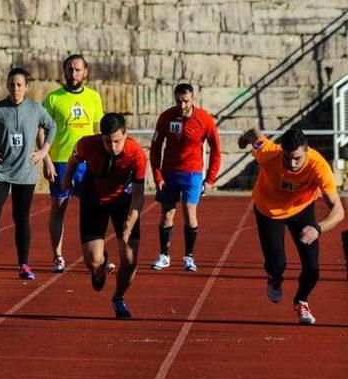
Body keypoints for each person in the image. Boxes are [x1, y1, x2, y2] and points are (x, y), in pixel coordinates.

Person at [238, 127, 344, 325]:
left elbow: (339, 211)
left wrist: (317, 228)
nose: (291, 164)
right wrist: (244, 140)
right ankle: (275, 279)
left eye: (297, 159)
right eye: (287, 158)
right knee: (277, 264)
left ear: (307, 151)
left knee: (312, 269)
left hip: (302, 211)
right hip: (269, 210)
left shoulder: (318, 167)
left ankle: (301, 300)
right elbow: (254, 133)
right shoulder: (269, 153)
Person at [0, 67, 55, 280]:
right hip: (0, 171)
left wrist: (43, 152)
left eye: (19, 85)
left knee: (21, 218)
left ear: (26, 87)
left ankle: (24, 265)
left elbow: (52, 126)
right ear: (7, 86)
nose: (15, 88)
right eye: (12, 84)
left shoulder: (35, 109)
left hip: (25, 174)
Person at [64, 113, 146, 319]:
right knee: (92, 260)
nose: (113, 146)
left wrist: (130, 223)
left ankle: (118, 297)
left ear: (125, 135)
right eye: (108, 141)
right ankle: (100, 265)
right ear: (101, 136)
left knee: (129, 259)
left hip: (123, 200)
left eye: (117, 141)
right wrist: (67, 181)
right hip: (94, 197)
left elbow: (139, 195)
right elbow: (73, 161)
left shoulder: (136, 153)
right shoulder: (86, 145)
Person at [149, 83, 222, 272]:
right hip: (169, 173)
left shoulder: (204, 119)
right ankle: (164, 255)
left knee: (190, 212)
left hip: (192, 174)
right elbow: (155, 148)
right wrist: (158, 176)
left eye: (186, 101)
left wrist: (210, 179)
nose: (182, 105)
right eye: (178, 101)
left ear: (193, 100)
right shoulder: (166, 117)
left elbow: (216, 149)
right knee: (167, 213)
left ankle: (189, 256)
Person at [42, 54, 104, 273]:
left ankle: (96, 253)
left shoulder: (94, 98)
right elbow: (42, 130)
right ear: (64, 71)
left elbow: (98, 130)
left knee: (93, 208)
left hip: (87, 163)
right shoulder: (53, 98)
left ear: (85, 72)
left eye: (78, 70)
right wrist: (46, 158)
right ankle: (57, 256)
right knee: (58, 208)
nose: (74, 73)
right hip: (60, 161)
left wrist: (102, 159)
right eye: (70, 69)